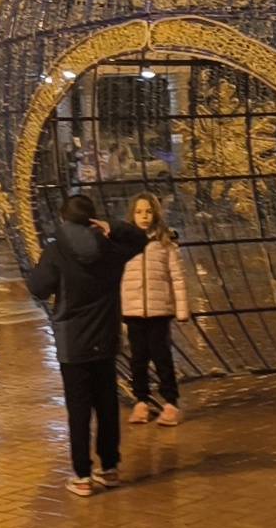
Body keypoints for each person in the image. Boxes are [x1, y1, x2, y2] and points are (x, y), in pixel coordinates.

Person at [25, 193, 147, 497]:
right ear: (91, 220)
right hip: (105, 339)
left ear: (63, 220)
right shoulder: (109, 249)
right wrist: (113, 226)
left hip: (72, 343)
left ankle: (82, 475)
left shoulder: (56, 252)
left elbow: (38, 288)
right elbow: (140, 238)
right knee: (107, 405)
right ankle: (110, 467)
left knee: (78, 411)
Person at [121, 193, 189, 427]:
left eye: (148, 211)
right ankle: (142, 400)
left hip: (159, 310)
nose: (144, 216)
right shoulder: (123, 243)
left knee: (162, 356)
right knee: (138, 358)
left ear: (156, 213)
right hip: (133, 310)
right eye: (139, 212)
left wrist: (181, 309)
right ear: (132, 214)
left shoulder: (164, 243)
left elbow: (177, 277)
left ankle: (171, 402)